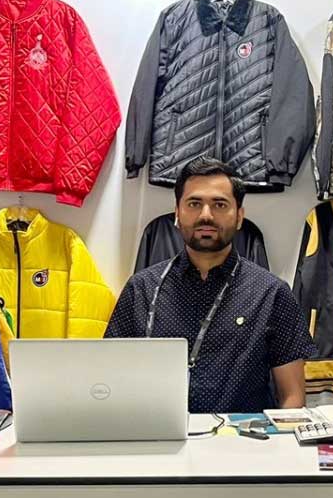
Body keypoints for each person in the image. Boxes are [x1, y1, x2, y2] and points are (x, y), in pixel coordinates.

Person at [105, 159, 316, 413]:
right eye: (194, 204)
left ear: (239, 216)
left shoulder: (272, 294)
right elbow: (110, 381)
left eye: (220, 204)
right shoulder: (141, 289)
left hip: (245, 437)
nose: (206, 215)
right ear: (177, 213)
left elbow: (292, 398)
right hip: (158, 434)